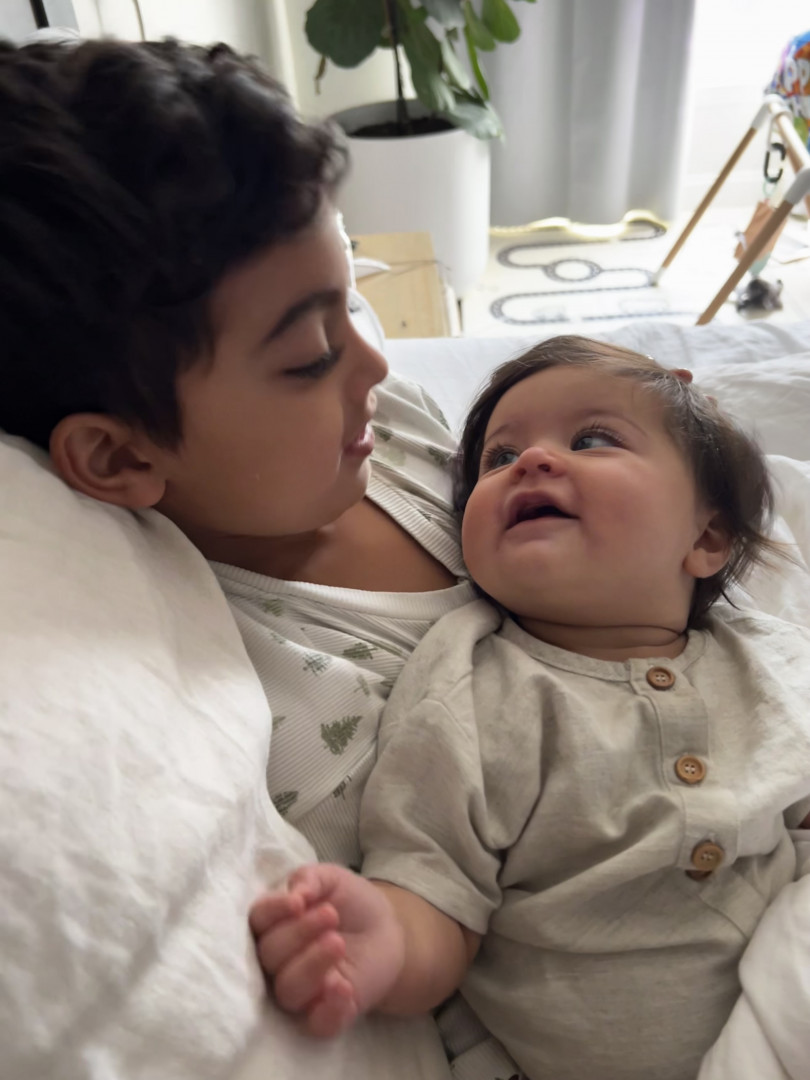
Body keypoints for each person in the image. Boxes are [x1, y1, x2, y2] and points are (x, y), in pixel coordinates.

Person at [0, 35, 513, 1080]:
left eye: (352, 297)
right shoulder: (282, 699)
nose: (376, 363)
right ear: (120, 456)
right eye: (311, 354)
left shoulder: (391, 434)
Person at [250, 337, 810, 1080]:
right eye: (498, 457)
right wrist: (382, 939)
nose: (533, 461)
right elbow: (434, 889)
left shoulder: (772, 659)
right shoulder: (469, 684)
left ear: (705, 536)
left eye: (594, 440)